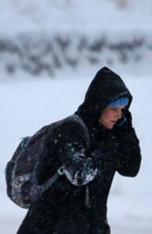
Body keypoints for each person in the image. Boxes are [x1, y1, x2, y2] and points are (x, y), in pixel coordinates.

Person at [17, 66, 141, 234]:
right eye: (113, 109)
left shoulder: (110, 135)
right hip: (48, 227)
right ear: (99, 105)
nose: (119, 115)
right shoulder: (71, 130)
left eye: (122, 110)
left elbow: (130, 168)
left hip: (92, 227)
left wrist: (127, 131)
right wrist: (108, 150)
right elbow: (80, 173)